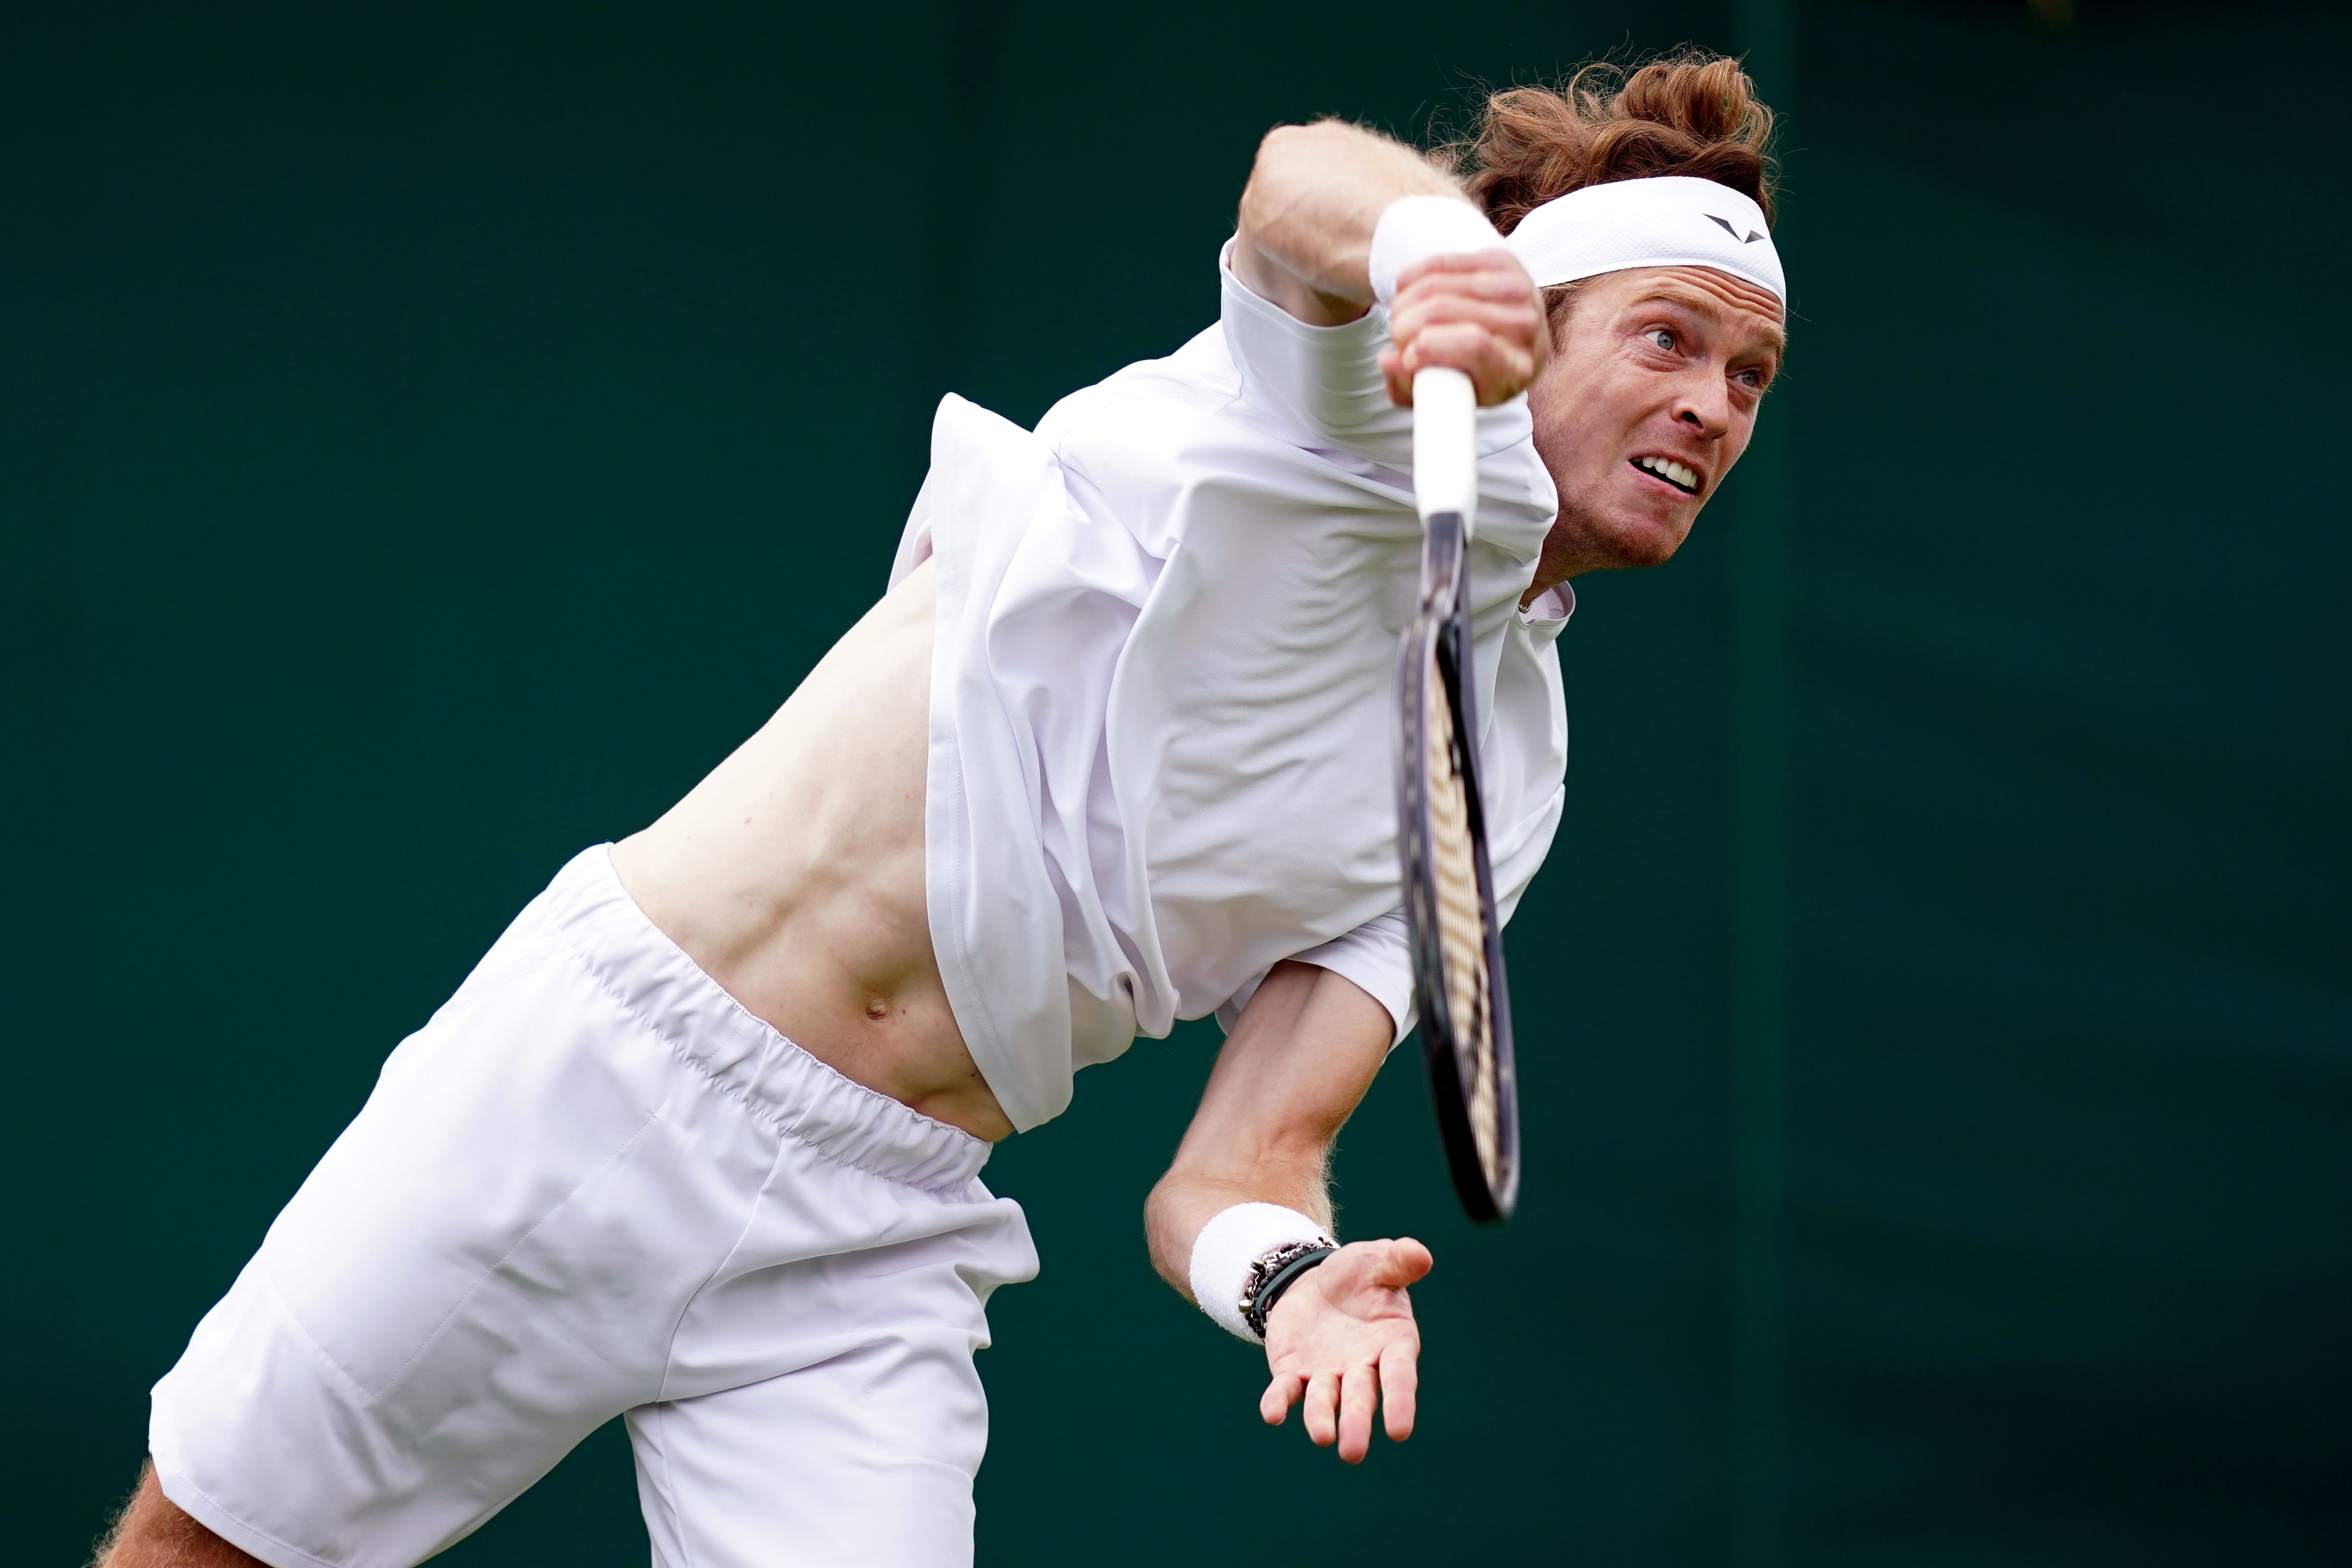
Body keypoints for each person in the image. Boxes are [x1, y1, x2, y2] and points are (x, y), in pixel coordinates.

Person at [93, 51, 1787, 1568]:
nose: (1711, 406)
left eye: (1750, 375)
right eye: (1667, 337)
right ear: (1526, 319)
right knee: (209, 1550)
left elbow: (1237, 1164)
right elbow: (1294, 186)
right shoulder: (1345, 408)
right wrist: (1433, 254)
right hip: (607, 1077)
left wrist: (1284, 1279)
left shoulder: (1513, 770)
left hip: (876, 1232)